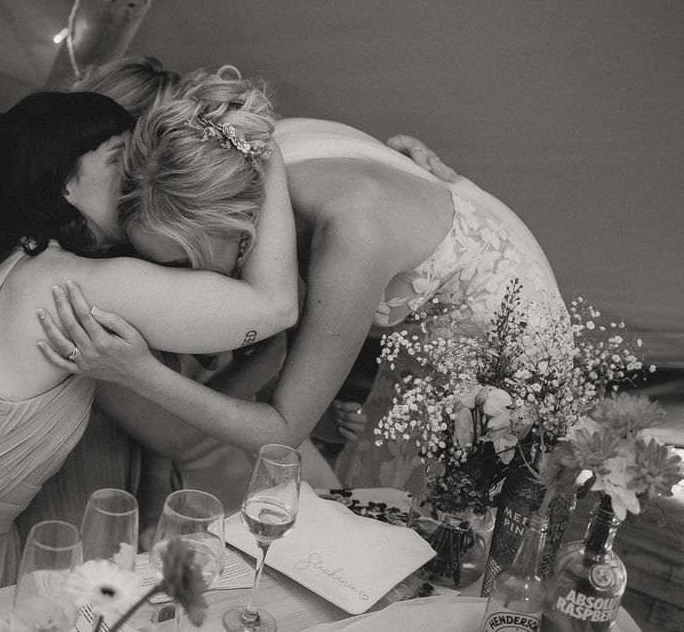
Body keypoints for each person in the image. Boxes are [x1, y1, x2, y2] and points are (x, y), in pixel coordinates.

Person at [36, 65, 569, 499]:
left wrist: (135, 373)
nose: (180, 284)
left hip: (502, 371)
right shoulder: (252, 153)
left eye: (182, 264)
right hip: (445, 303)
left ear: (233, 226)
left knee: (437, 530)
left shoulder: (350, 238)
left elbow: (283, 432)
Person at [0, 87, 299, 605]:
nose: (141, 179)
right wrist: (264, 154)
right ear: (65, 182)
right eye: (123, 160)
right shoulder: (78, 284)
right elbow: (274, 307)